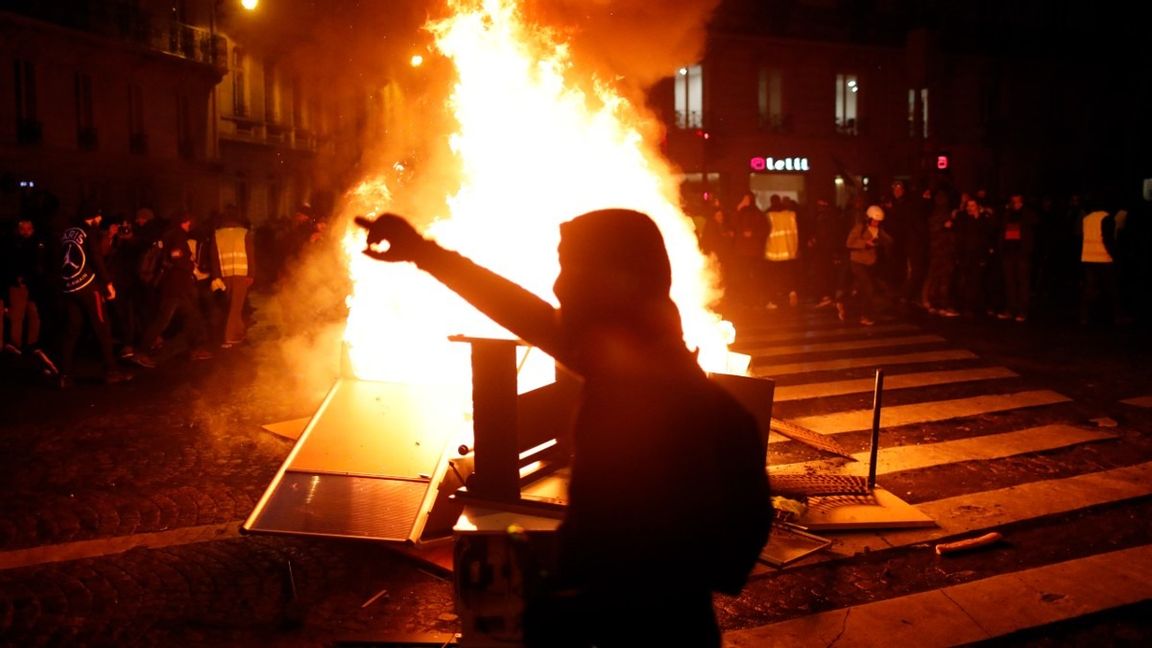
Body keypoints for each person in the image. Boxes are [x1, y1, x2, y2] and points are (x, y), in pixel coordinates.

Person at [356, 209, 772, 648]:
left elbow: (665, 546)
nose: (558, 285)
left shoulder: (652, 388)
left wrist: (585, 600)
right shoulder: (630, 361)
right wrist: (424, 252)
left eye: (571, 267)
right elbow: (520, 310)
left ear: (621, 282)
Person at [55, 207, 133, 387]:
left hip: (69, 286)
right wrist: (107, 283)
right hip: (88, 286)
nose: (100, 219)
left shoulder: (67, 232)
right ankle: (111, 371)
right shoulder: (89, 232)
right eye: (98, 216)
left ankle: (64, 375)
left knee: (72, 329)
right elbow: (96, 258)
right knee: (103, 327)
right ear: (93, 217)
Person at [210, 204, 255, 347]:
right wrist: (251, 274)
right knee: (236, 307)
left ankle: (238, 332)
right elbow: (250, 255)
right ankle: (229, 337)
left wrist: (216, 276)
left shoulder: (217, 234)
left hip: (224, 275)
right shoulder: (243, 233)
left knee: (231, 306)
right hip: (241, 275)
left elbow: (214, 257)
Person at [844, 205, 893, 326]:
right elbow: (849, 243)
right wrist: (865, 243)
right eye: (874, 220)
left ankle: (844, 304)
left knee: (860, 289)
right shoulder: (859, 228)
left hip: (870, 263)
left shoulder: (879, 230)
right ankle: (864, 315)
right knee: (868, 288)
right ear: (869, 218)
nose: (876, 223)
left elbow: (889, 241)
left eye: (878, 221)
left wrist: (882, 241)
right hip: (857, 262)